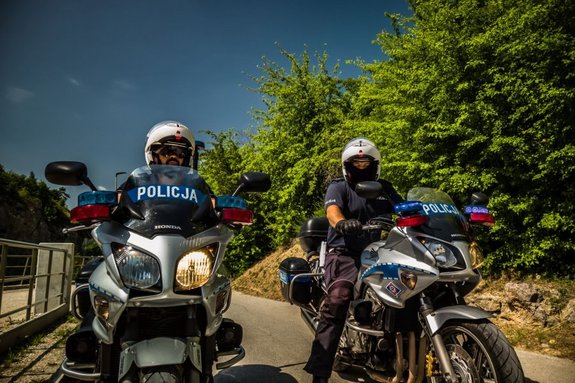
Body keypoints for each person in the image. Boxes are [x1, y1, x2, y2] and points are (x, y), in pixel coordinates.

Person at [304, 138, 403, 383]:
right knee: (337, 299)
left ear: (375, 164)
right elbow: (332, 212)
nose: (361, 166)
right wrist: (342, 223)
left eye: (365, 162)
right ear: (346, 166)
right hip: (343, 252)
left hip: (379, 252)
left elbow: (404, 208)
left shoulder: (385, 188)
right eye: (355, 163)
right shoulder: (338, 187)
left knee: (404, 292)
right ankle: (319, 374)